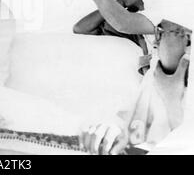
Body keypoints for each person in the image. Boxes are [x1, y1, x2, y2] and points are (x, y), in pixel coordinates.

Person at [79, 19, 191, 155]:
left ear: (188, 41)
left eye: (162, 34)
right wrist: (115, 131)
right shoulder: (154, 70)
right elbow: (80, 29)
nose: (155, 42)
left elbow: (122, 21)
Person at [73, 0, 149, 63]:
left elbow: (122, 24)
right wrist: (117, 4)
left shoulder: (163, 20)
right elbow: (81, 29)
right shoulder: (129, 22)